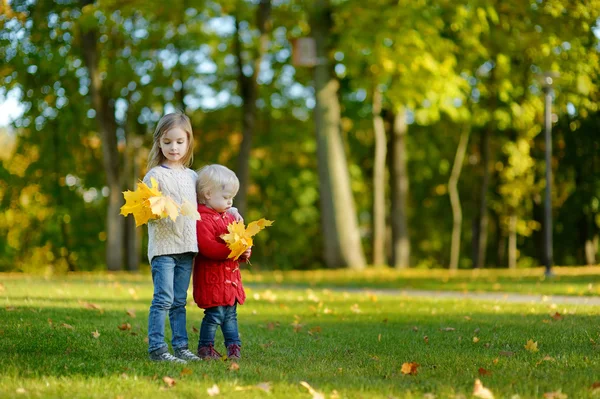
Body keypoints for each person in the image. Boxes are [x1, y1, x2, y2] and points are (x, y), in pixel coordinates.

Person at [143, 111, 201, 364]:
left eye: (179, 142)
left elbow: (208, 203)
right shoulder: (154, 176)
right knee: (163, 299)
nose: (173, 147)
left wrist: (230, 208)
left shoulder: (193, 177)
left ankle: (181, 347)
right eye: (167, 142)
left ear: (188, 142)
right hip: (164, 248)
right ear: (159, 142)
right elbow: (145, 212)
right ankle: (157, 348)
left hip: (187, 247)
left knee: (179, 301)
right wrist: (159, 211)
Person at [193, 164, 251, 361]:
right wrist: (233, 250)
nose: (230, 202)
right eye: (226, 197)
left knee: (231, 315)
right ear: (208, 194)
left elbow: (237, 241)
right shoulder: (202, 219)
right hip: (213, 280)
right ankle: (205, 347)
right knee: (214, 315)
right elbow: (207, 247)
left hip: (230, 280)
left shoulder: (229, 218)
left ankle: (234, 347)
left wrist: (243, 251)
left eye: (232, 198)